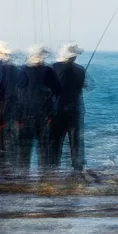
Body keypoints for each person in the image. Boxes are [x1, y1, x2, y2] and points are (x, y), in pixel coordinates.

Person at [16, 44, 59, 172]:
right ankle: (45, 175)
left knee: (24, 148)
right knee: (44, 147)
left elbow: (18, 88)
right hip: (44, 114)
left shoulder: (22, 70)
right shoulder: (48, 71)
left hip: (25, 113)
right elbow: (58, 90)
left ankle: (23, 174)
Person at [51, 42, 88, 170]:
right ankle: (78, 169)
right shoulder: (80, 70)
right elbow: (89, 86)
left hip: (57, 110)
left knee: (56, 140)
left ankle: (53, 168)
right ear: (74, 56)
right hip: (76, 110)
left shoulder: (52, 68)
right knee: (76, 141)